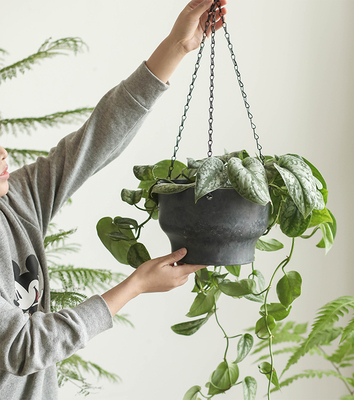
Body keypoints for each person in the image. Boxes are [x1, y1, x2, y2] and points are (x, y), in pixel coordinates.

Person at [0, 0, 227, 399]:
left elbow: (94, 141)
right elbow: (23, 347)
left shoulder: (17, 199)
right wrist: (135, 285)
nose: (2, 155)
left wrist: (178, 44)